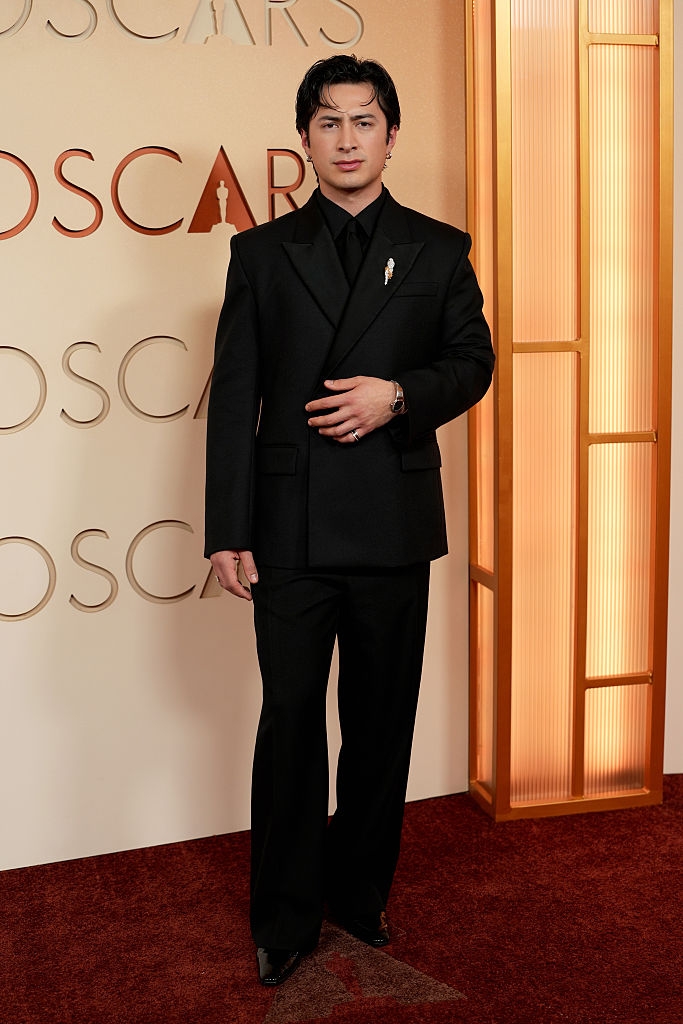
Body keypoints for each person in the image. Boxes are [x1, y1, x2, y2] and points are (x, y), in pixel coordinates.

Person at [204, 54, 494, 986]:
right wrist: (226, 530)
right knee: (290, 723)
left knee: (379, 723)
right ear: (305, 138)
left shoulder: (439, 249)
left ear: (390, 136)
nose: (346, 138)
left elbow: (473, 362)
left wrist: (395, 396)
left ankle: (360, 894)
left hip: (390, 521)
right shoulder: (260, 254)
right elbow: (235, 398)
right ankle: (283, 917)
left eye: (363, 121)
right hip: (286, 527)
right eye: (327, 122)